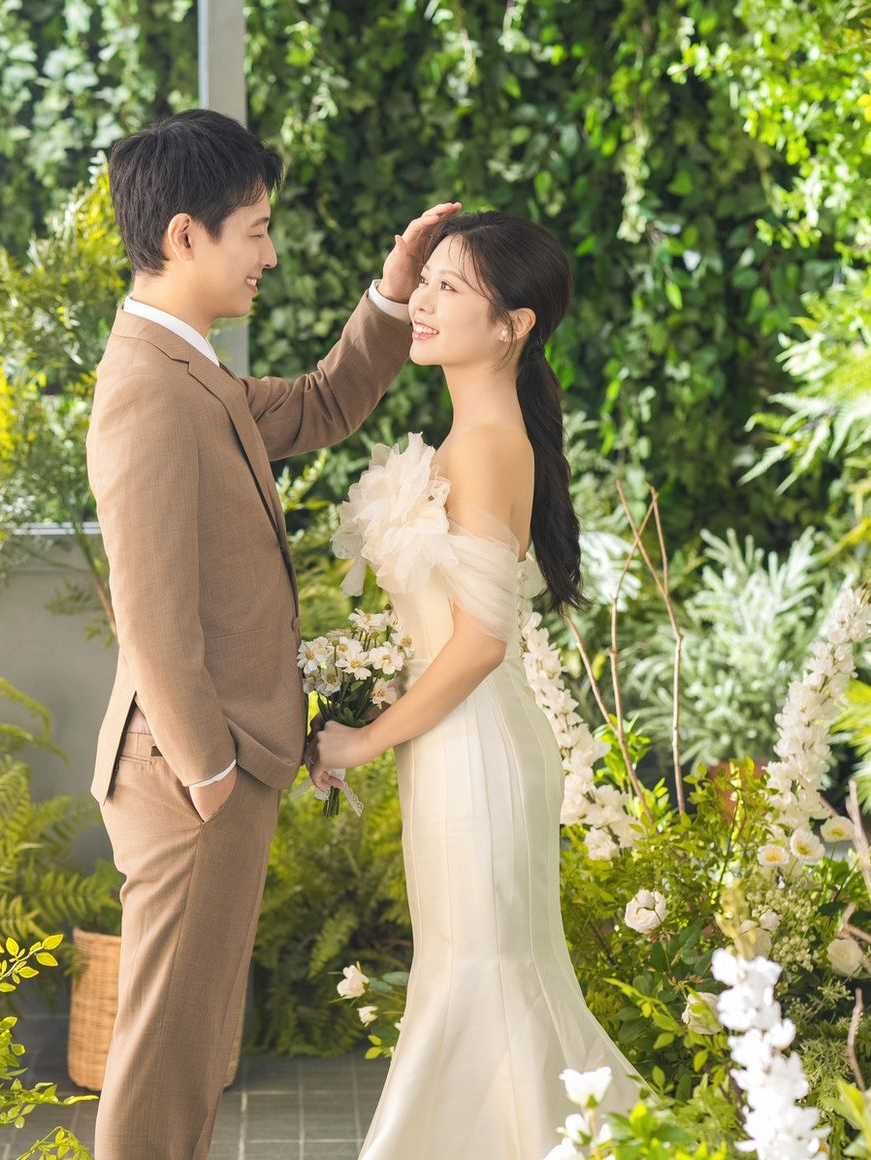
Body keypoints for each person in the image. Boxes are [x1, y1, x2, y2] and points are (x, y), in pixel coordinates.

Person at [85, 107, 458, 1160]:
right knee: (166, 1058)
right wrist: (210, 770)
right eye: (254, 229)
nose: (271, 252)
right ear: (184, 236)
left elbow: (322, 405)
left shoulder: (189, 371)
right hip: (190, 772)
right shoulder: (148, 391)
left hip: (214, 766)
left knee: (195, 1046)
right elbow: (149, 610)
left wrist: (393, 292)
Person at [309, 211, 641, 1158]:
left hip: (480, 753)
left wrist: (362, 740)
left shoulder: (492, 446)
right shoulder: (469, 437)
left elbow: (482, 645)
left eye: (449, 287)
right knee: (468, 977)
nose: (422, 301)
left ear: (513, 325)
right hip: (449, 747)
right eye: (427, 282)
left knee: (487, 981)